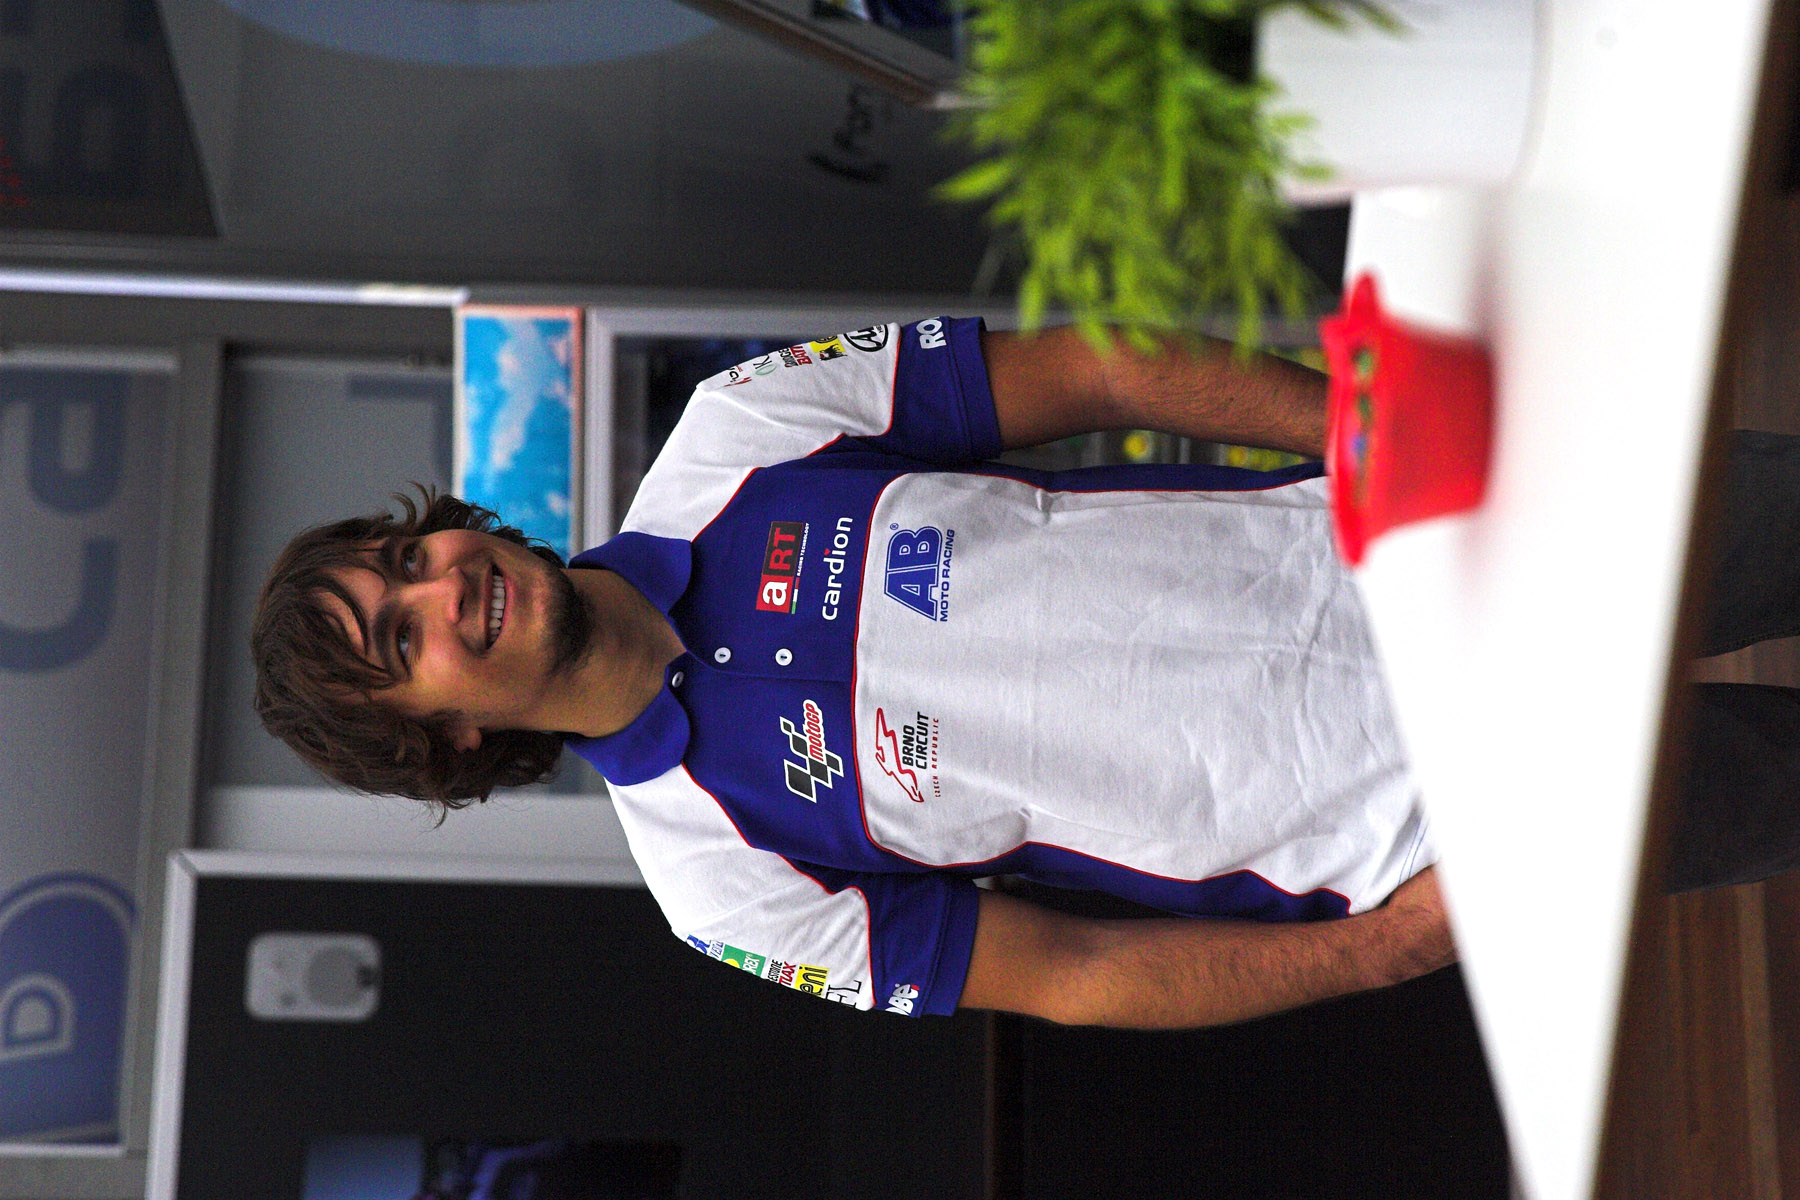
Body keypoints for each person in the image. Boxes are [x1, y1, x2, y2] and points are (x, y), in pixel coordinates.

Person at [253, 316, 1457, 1028]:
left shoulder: (733, 429)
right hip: (1418, 838)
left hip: (1429, 542)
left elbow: (1098, 369)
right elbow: (1073, 974)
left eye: (406, 559)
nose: (442, 587)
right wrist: (1378, 954)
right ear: (447, 737)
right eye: (401, 641)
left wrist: (1375, 435)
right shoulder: (715, 889)